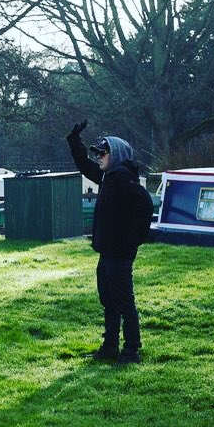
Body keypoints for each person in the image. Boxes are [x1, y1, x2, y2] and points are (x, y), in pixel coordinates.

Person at [66, 120, 154, 364]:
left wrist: (132, 242)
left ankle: (132, 350)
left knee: (124, 302)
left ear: (116, 155)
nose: (99, 157)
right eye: (98, 153)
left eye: (103, 153)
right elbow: (84, 165)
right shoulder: (108, 177)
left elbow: (145, 206)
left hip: (119, 253)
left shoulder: (122, 176)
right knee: (109, 301)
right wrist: (75, 142)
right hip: (107, 253)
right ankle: (110, 347)